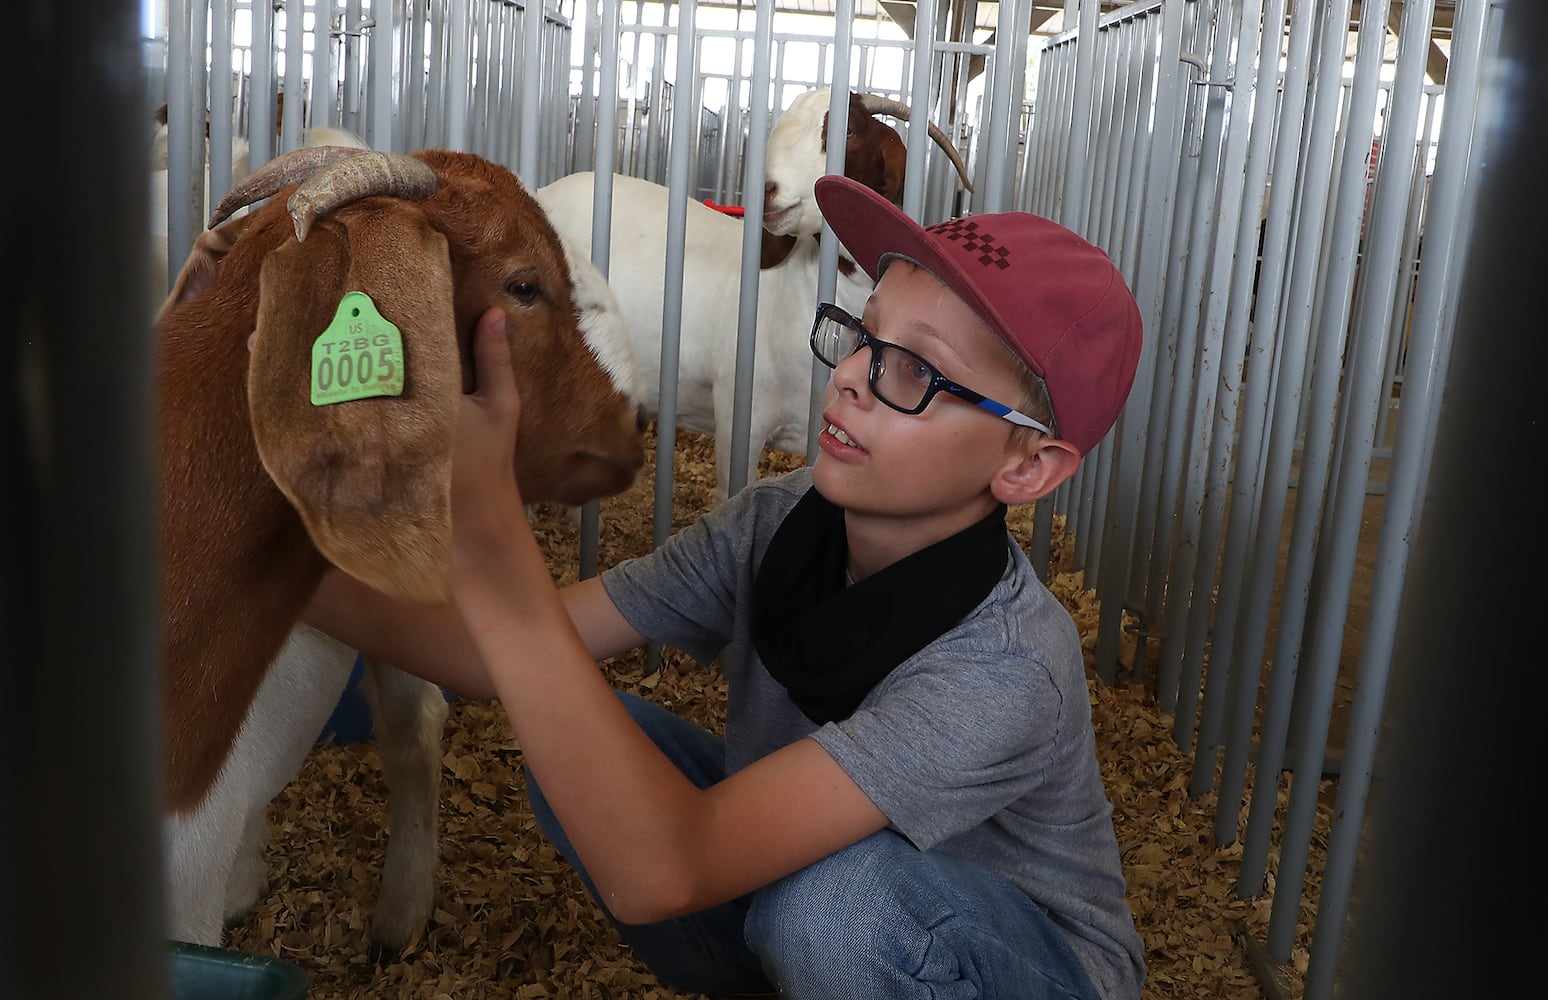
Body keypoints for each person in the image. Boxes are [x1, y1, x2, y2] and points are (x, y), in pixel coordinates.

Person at [306, 175, 1147, 999]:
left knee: (832, 909)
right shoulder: (776, 523)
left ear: (1028, 466)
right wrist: (279, 578)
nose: (851, 376)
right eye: (862, 336)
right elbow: (501, 658)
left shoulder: (1003, 669)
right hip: (815, 900)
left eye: (914, 373)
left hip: (1013, 963)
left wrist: (493, 529)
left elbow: (657, 872)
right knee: (579, 750)